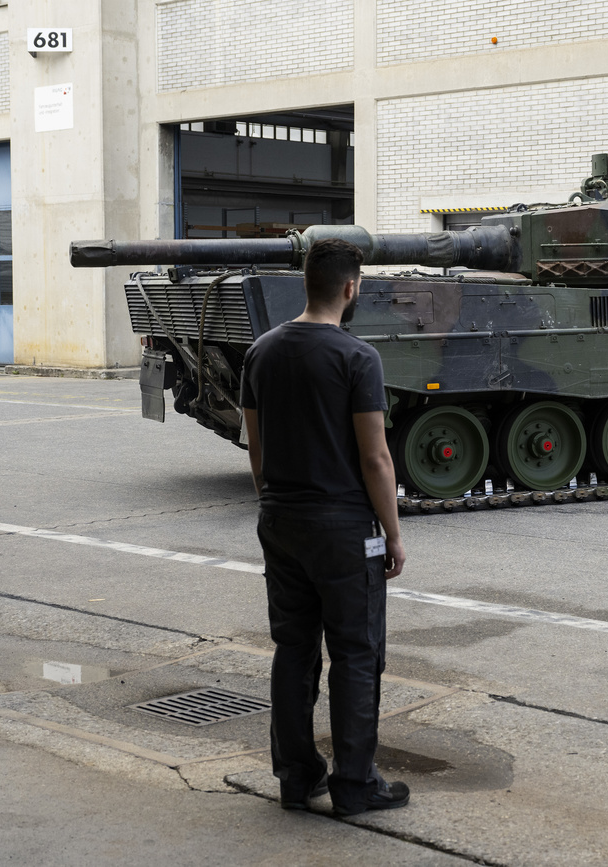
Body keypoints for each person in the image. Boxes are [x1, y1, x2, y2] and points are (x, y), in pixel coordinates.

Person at [241, 238, 410, 817]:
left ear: (305, 284)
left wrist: (275, 506)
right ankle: (356, 785)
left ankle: (296, 777)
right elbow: (376, 459)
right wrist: (392, 532)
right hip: (342, 527)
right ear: (350, 287)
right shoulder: (357, 358)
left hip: (280, 519)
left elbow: (256, 447)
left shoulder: (261, 351)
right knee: (357, 653)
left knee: (293, 649)